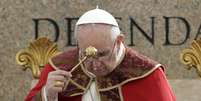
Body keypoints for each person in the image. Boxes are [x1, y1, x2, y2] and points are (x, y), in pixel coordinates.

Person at [25, 8, 176, 101]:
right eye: (86, 54)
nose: (95, 64)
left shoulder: (148, 73)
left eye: (102, 54)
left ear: (119, 41)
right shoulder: (59, 67)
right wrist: (48, 94)